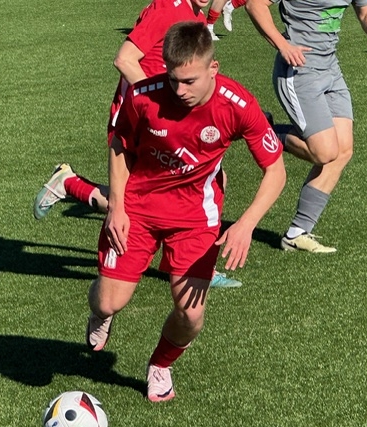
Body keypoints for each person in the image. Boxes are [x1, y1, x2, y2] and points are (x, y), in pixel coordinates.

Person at [86, 21, 286, 402]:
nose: (180, 91)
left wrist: (246, 225)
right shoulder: (143, 96)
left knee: (191, 314)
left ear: (214, 68)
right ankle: (100, 314)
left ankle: (160, 365)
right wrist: (117, 207)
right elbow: (119, 145)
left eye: (189, 81)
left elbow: (276, 171)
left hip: (195, 218)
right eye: (173, 79)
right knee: (108, 300)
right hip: (138, 209)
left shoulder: (238, 105)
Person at [33, 0, 240, 287]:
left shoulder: (195, 15)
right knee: (135, 199)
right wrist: (157, 103)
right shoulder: (166, 8)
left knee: (210, 180)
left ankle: (196, 264)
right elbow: (124, 59)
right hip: (140, 121)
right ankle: (70, 184)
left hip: (167, 120)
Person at [245, 0, 367, 252]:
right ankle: (263, 131)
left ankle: (297, 233)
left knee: (343, 150)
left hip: (330, 69)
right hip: (299, 71)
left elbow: (366, 11)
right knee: (324, 152)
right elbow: (254, 5)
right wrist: (283, 45)